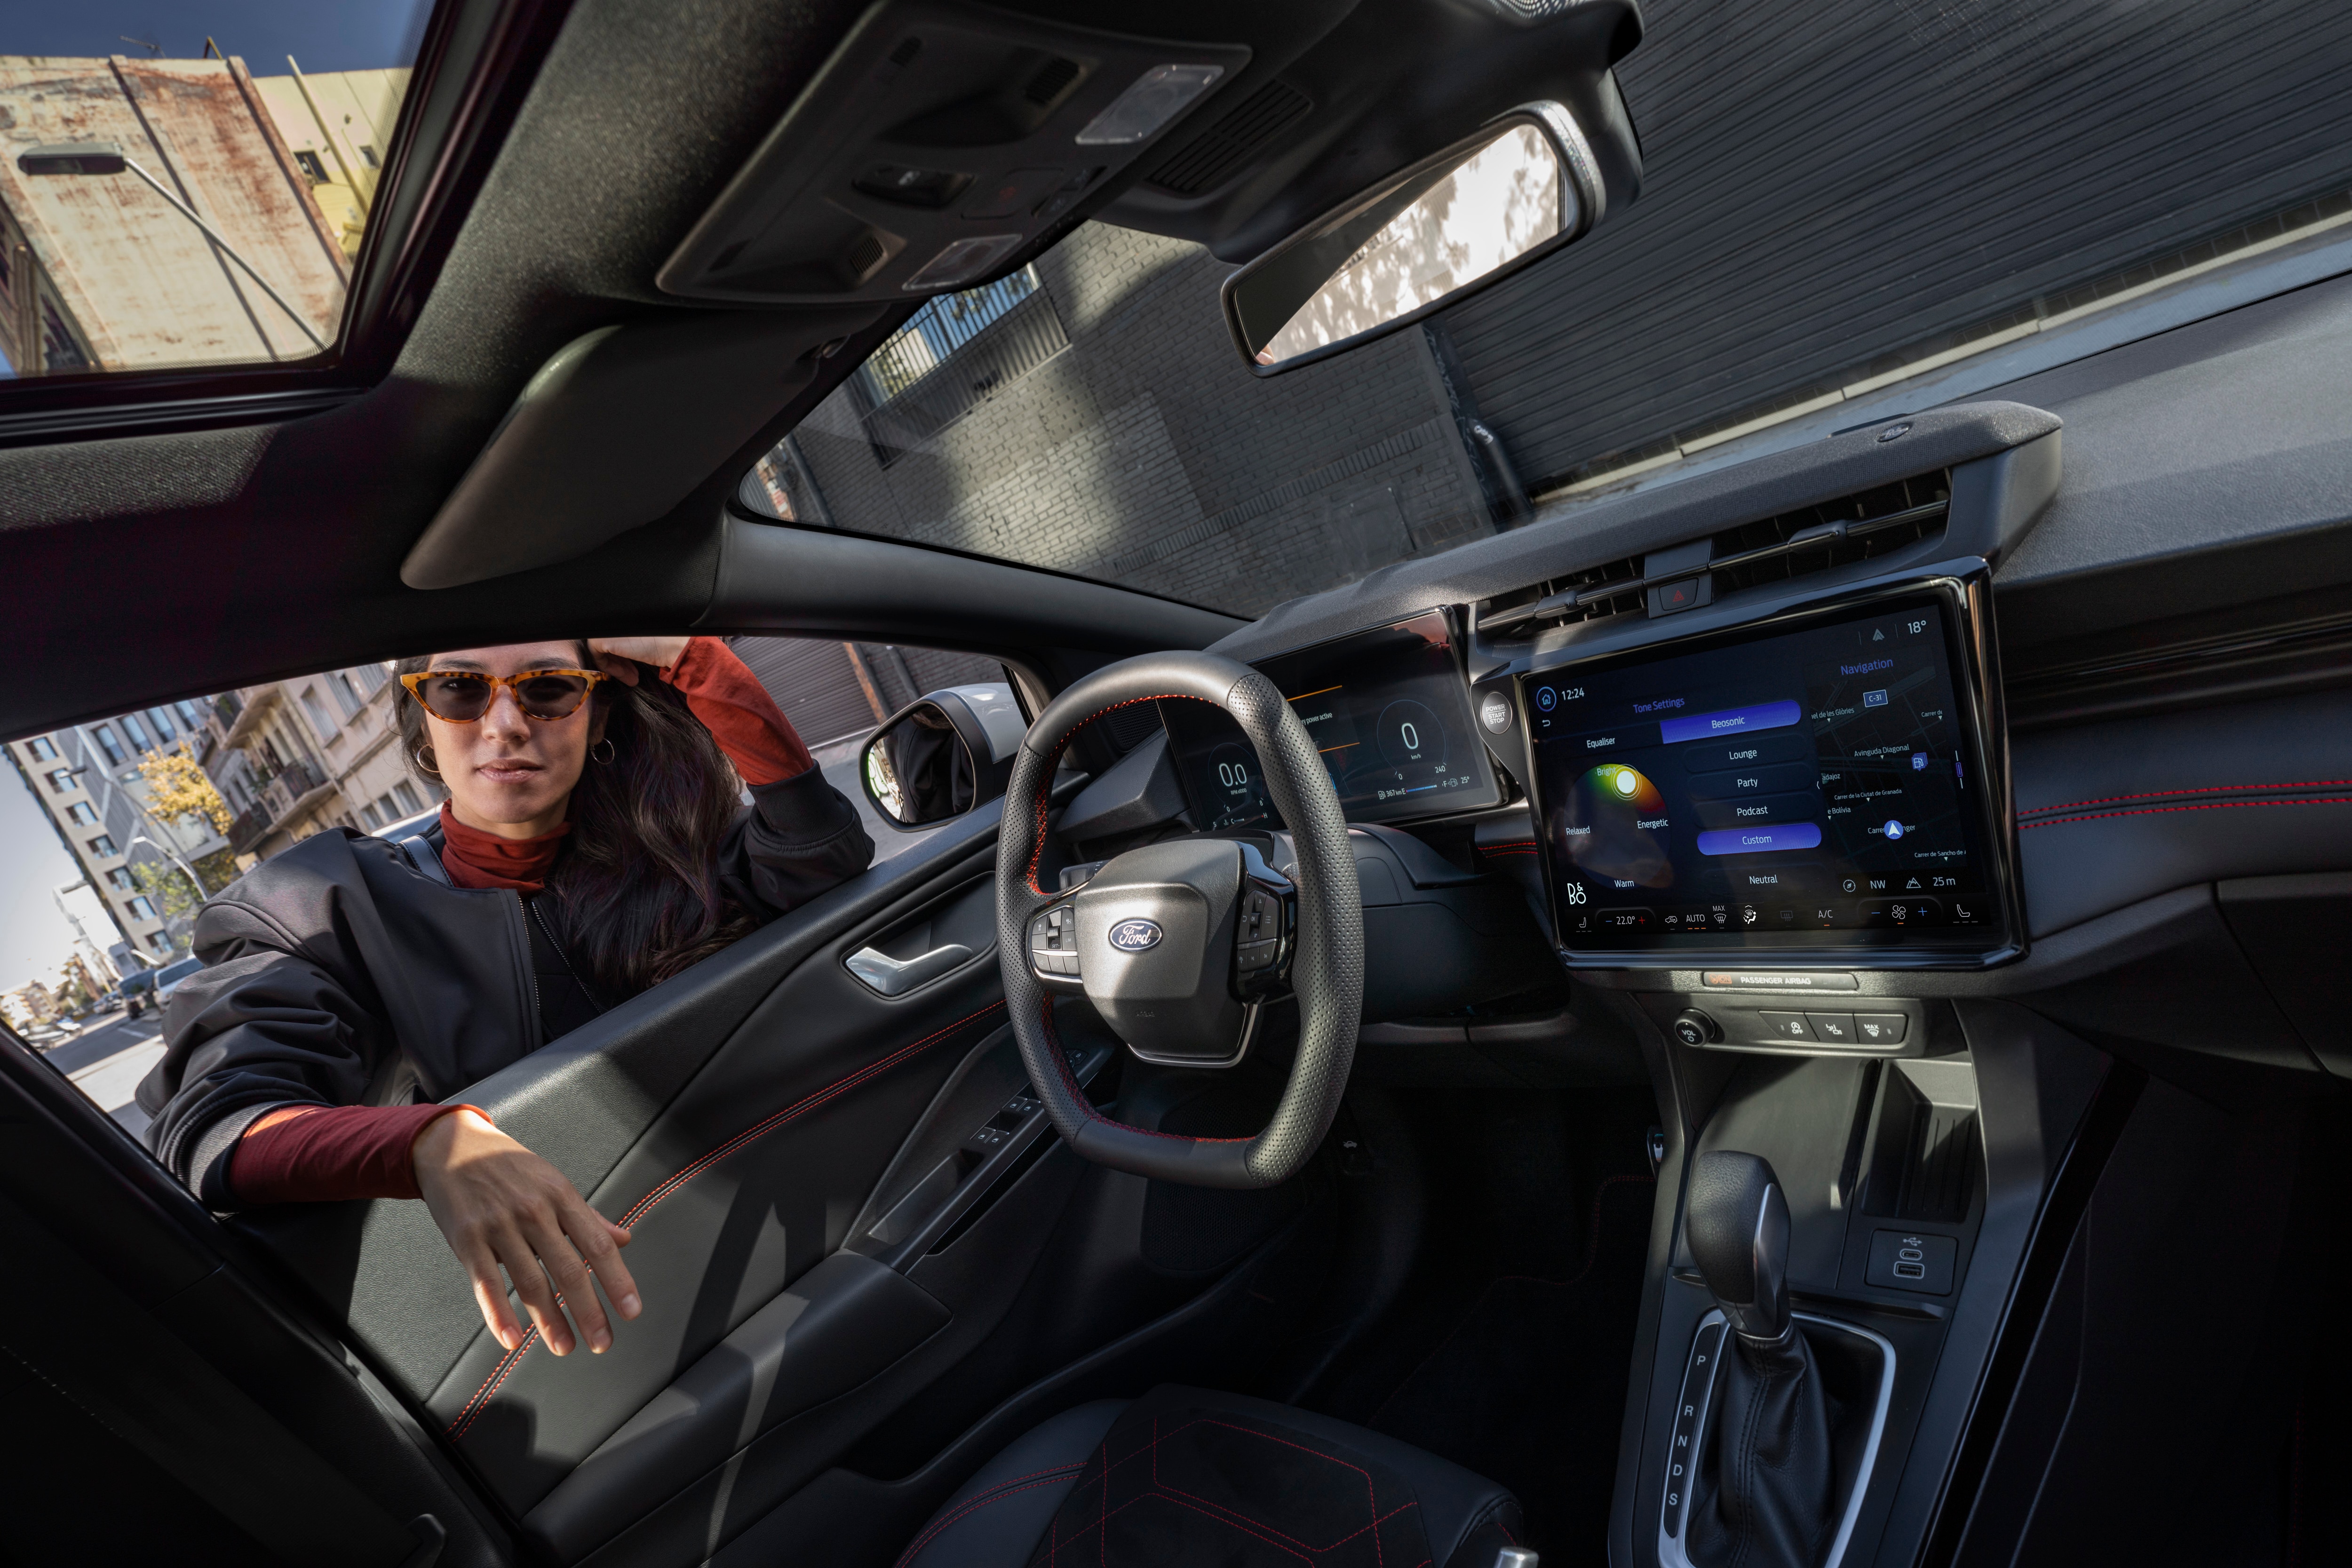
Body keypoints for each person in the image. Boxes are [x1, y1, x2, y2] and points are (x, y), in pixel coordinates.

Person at [138, 636, 872, 1359]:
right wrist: (433, 1142)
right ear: (422, 720)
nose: (506, 723)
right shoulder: (323, 901)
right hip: (595, 1317)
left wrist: (700, 662)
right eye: (460, 689)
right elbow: (218, 1123)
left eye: (549, 687)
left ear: (600, 715)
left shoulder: (675, 843)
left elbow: (821, 862)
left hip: (813, 1218)